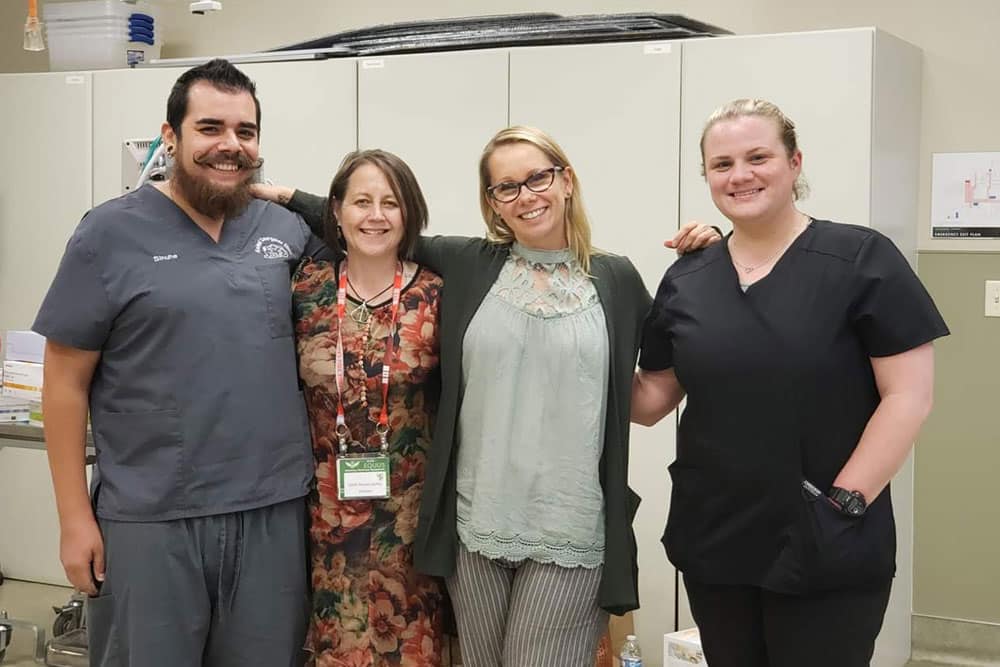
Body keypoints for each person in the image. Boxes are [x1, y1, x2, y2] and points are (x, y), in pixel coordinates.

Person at [255, 126, 721, 667]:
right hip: (474, 530)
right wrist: (284, 195)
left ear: (566, 181)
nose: (526, 196)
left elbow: (646, 403)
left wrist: (707, 262)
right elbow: (379, 229)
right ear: (493, 203)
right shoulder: (473, 264)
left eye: (538, 178)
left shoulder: (613, 279)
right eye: (506, 187)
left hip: (569, 527)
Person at [631, 98, 949, 667]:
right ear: (706, 176)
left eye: (758, 156)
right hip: (717, 535)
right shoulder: (689, 276)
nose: (740, 175)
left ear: (795, 162)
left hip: (826, 534)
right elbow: (654, 396)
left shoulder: (861, 259)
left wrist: (843, 504)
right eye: (722, 163)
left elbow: (910, 396)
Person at [34, 59, 323, 666]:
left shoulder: (285, 230)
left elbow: (375, 235)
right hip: (149, 517)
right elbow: (63, 381)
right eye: (210, 127)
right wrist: (73, 519)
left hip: (270, 511)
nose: (230, 145)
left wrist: (299, 196)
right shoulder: (109, 233)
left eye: (245, 132)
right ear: (170, 137)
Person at [290, 149, 448, 665]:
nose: (375, 216)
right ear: (336, 211)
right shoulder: (304, 290)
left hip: (411, 530)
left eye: (390, 203)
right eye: (362, 201)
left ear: (410, 214)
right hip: (324, 527)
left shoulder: (436, 294)